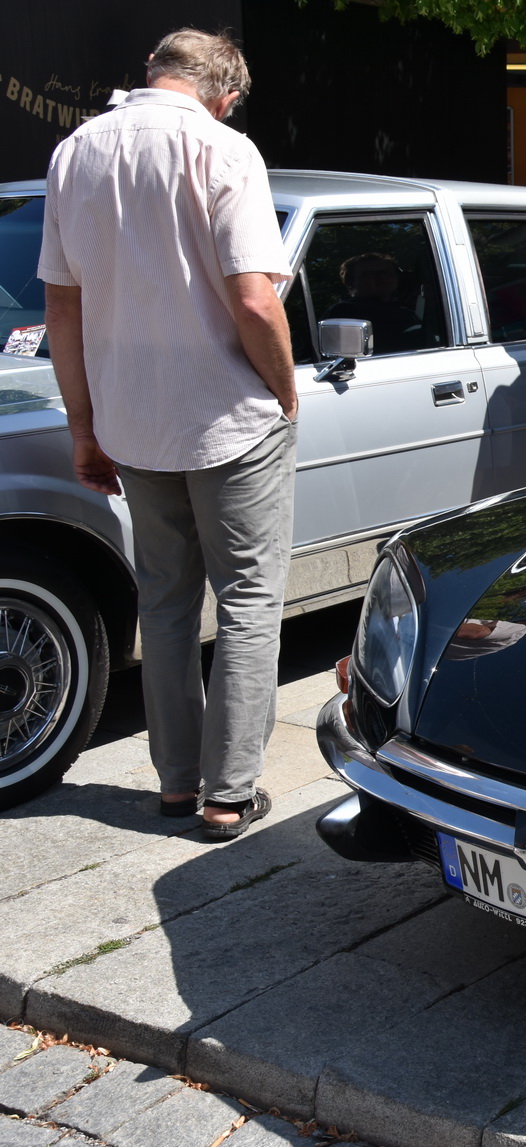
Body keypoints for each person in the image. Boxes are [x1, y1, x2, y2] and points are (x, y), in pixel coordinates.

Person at [38, 29, 294, 839]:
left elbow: (62, 306)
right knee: (248, 600)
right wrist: (286, 391)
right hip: (228, 416)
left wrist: (84, 425)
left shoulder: (74, 152)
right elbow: (254, 299)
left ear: (152, 73)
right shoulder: (225, 150)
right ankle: (230, 792)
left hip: (131, 418)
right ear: (225, 95)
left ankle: (178, 785)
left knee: (167, 602)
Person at [322, 252, 424, 353]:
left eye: (387, 272)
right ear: (350, 283)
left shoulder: (408, 311)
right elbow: (344, 358)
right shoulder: (344, 312)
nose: (382, 277)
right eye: (369, 274)